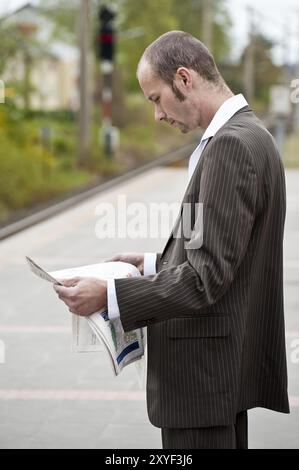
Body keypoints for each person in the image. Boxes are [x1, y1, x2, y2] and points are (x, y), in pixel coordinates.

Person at [54, 31, 290, 449]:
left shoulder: (230, 147)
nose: (158, 115)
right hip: (222, 373)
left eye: (155, 99)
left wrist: (110, 294)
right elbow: (227, 255)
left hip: (202, 379)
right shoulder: (253, 134)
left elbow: (205, 280)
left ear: (184, 79)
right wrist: (150, 263)